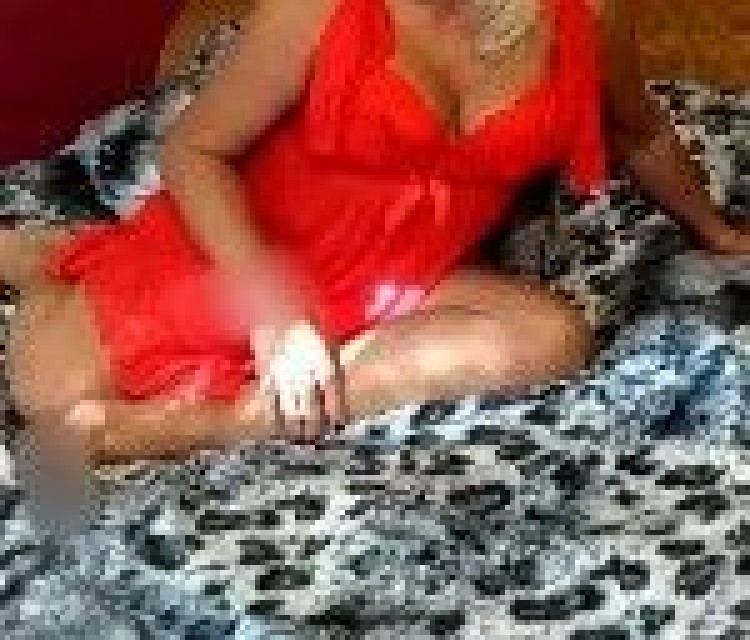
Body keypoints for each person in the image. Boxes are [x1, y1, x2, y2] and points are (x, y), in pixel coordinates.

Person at [2, 0, 749, 465]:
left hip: (407, 280)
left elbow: (640, 133)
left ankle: (204, 425)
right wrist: (272, 313)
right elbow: (192, 151)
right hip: (255, 250)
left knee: (552, 340)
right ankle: (48, 262)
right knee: (45, 390)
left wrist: (720, 233)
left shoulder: (586, 17)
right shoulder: (315, 10)